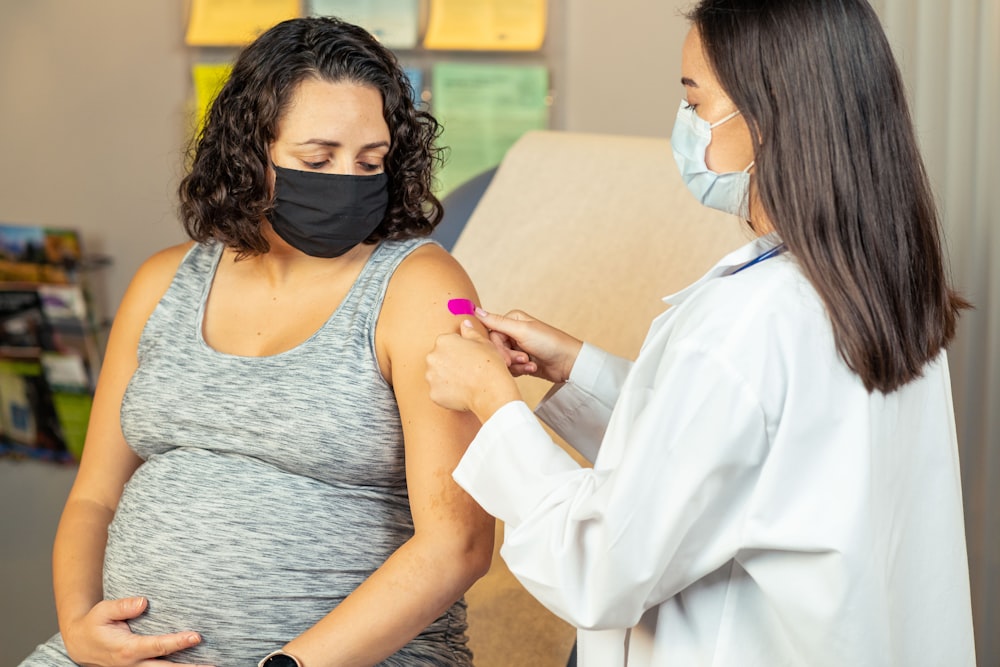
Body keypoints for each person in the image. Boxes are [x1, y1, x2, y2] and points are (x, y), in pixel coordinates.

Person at [424, 0, 977, 665]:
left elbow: (599, 570)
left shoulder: (749, 320)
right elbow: (736, 454)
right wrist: (576, 367)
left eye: (696, 101)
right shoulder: (874, 283)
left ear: (772, 115)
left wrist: (493, 405)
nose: (684, 125)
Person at [22, 16, 494, 667]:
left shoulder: (421, 286)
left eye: (371, 161)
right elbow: (95, 495)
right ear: (249, 153)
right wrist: (78, 626)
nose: (349, 180)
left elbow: (460, 544)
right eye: (318, 159)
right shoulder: (163, 280)